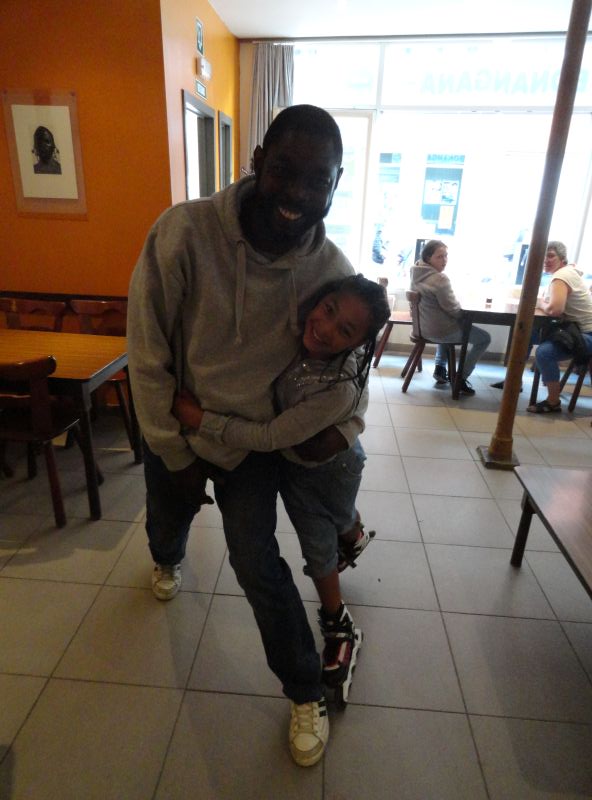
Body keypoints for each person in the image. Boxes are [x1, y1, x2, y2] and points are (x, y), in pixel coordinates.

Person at [127, 105, 363, 768]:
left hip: (253, 445)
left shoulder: (330, 269)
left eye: (318, 181)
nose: (298, 193)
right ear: (258, 161)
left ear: (335, 186)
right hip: (179, 423)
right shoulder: (184, 232)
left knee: (257, 564)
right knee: (166, 519)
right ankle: (166, 557)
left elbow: (353, 370)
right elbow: (146, 348)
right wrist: (170, 447)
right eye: (285, 170)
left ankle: (305, 689)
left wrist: (345, 428)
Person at [171, 274, 390, 702]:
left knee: (317, 544)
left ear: (357, 344)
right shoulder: (296, 333)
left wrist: (201, 420)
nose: (325, 328)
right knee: (339, 517)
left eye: (344, 330)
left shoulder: (337, 387)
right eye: (328, 310)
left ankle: (338, 622)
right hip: (303, 466)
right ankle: (352, 532)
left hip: (327, 470)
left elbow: (271, 437)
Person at [410, 239, 491, 395]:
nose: (444, 260)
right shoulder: (440, 279)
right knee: (484, 338)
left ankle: (440, 368)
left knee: (445, 321)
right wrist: (463, 314)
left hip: (422, 328)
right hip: (440, 331)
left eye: (446, 256)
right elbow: (454, 310)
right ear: (428, 258)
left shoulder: (416, 272)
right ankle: (461, 377)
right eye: (439, 256)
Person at [527, 241, 592, 413]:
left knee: (544, 352)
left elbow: (555, 310)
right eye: (543, 256)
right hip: (577, 331)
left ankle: (553, 401)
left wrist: (541, 303)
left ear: (562, 258)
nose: (545, 260)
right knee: (527, 334)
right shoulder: (565, 273)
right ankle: (513, 381)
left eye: (550, 256)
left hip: (587, 334)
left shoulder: (561, 276)